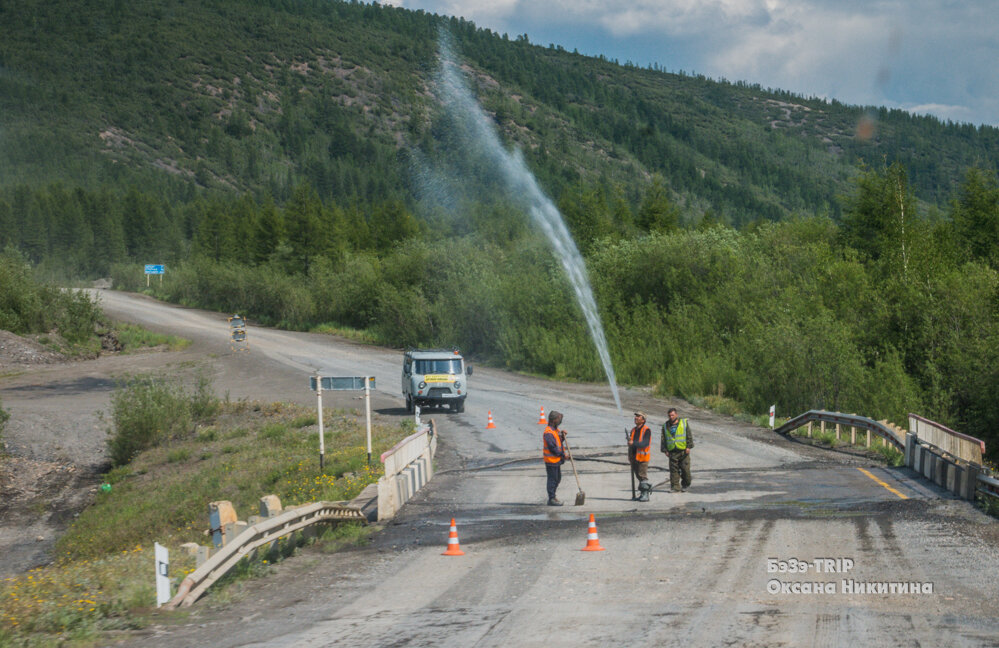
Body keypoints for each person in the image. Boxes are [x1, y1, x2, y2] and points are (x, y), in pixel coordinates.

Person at [661, 407, 694, 492]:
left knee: (685, 470)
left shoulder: (684, 423)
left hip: (683, 451)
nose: (671, 417)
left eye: (672, 415)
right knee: (673, 470)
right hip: (672, 451)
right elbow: (663, 439)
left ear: (676, 415)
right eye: (669, 415)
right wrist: (665, 450)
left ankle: (686, 484)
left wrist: (688, 447)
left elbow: (689, 436)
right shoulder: (665, 426)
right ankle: (675, 487)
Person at [542, 410, 568, 506]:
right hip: (551, 461)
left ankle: (553, 496)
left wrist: (562, 437)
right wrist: (562, 455)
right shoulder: (548, 432)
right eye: (558, 419)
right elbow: (552, 447)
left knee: (557, 479)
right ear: (553, 420)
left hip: (556, 460)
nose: (560, 421)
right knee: (552, 479)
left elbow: (557, 443)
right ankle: (551, 499)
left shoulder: (555, 431)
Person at [628, 412, 653, 501]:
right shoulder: (633, 430)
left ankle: (645, 494)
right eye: (636, 416)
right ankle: (642, 493)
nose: (636, 418)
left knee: (642, 476)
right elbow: (631, 445)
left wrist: (633, 443)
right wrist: (630, 456)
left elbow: (645, 443)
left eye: (638, 416)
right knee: (638, 476)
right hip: (634, 457)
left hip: (643, 458)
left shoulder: (646, 430)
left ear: (643, 420)